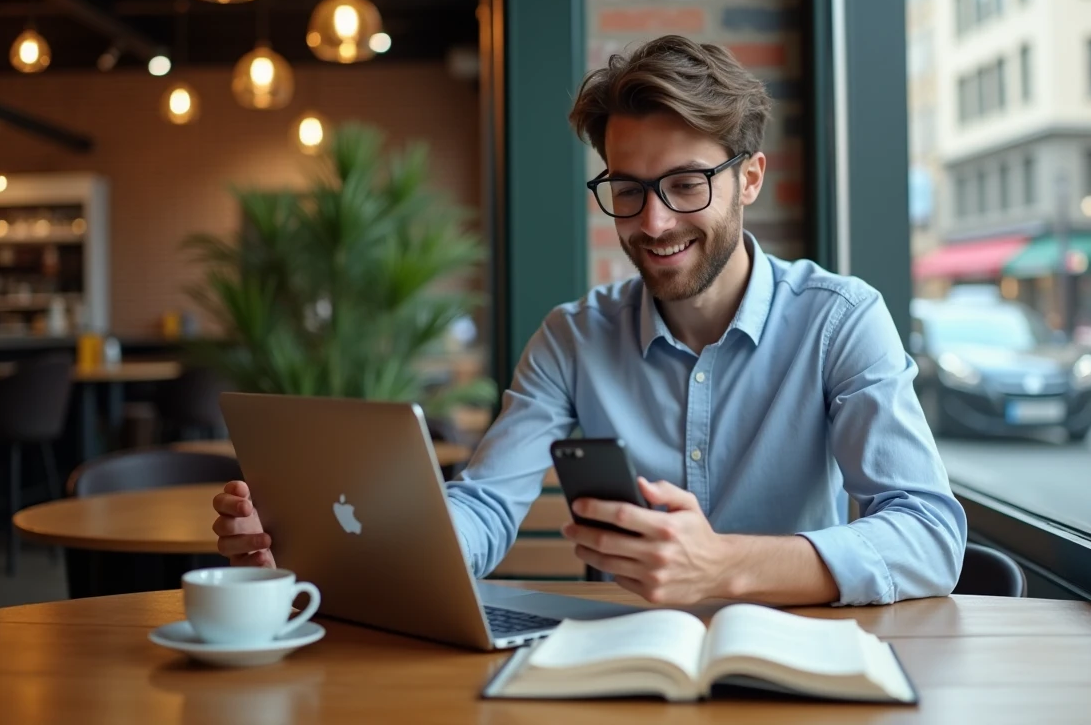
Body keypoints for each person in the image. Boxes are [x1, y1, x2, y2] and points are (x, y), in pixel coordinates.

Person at [213, 35, 966, 607]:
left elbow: (930, 535)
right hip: (621, 671)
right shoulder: (573, 338)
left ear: (750, 179)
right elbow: (482, 506)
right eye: (629, 190)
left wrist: (723, 564)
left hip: (799, 665)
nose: (655, 221)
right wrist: (325, 551)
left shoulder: (840, 321)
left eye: (685, 184)